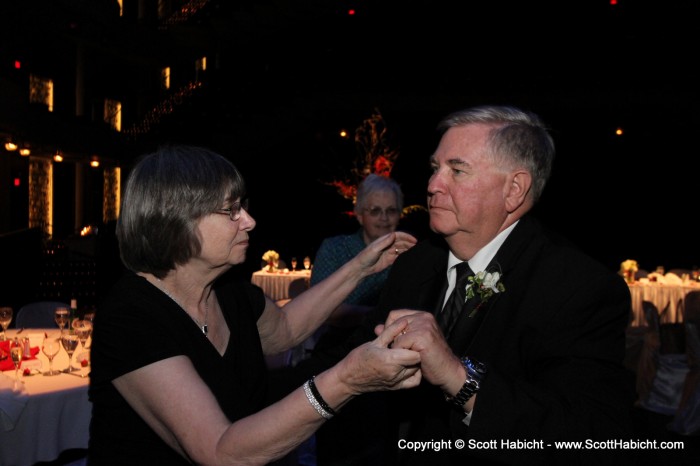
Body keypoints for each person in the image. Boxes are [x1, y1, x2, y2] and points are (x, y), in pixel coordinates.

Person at [287, 105, 635, 465]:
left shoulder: (577, 287)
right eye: (436, 168)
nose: (433, 185)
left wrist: (458, 378)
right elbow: (353, 354)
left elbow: (595, 432)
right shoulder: (415, 264)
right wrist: (253, 397)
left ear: (514, 190)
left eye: (457, 170)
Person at [87, 145, 421, 465]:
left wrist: (361, 267)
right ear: (176, 221)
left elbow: (287, 328)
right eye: (231, 210)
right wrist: (346, 380)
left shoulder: (230, 293)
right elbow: (220, 451)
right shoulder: (131, 317)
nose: (249, 221)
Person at [304, 174, 404, 464]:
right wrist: (380, 318)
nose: (384, 218)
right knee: (339, 446)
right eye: (375, 210)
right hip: (339, 351)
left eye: (391, 210)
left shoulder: (411, 252)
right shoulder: (336, 249)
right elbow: (327, 311)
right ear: (360, 215)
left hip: (392, 358)